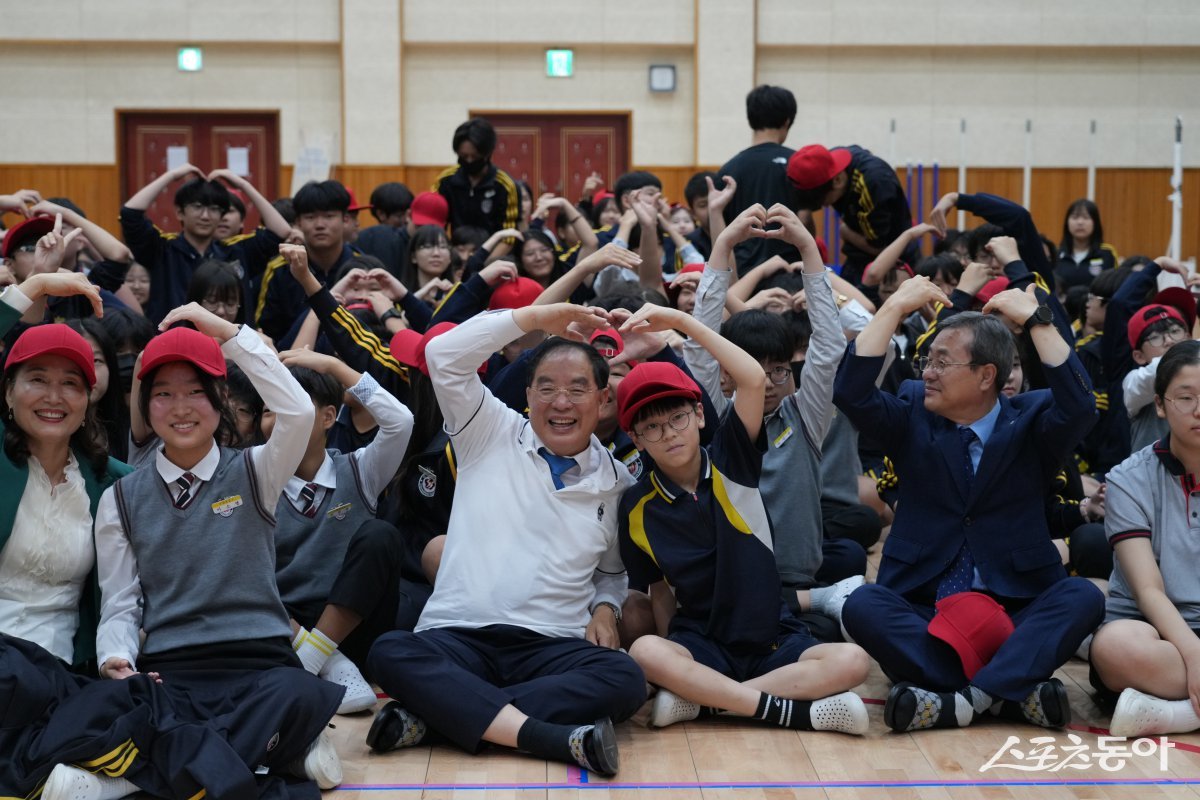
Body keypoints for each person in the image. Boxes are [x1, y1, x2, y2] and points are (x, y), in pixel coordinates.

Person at [365, 303, 647, 776]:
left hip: (550, 647)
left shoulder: (619, 483)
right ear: (527, 394)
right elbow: (443, 356)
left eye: (577, 389)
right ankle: (546, 737)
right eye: (547, 388)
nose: (561, 402)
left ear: (602, 401)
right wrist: (536, 317)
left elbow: (612, 575)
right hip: (459, 636)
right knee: (389, 651)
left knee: (625, 678)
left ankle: (436, 719)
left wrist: (606, 608)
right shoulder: (488, 429)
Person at [834, 275, 1105, 732]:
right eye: (927, 361)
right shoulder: (913, 410)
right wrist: (894, 306)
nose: (928, 373)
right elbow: (850, 392)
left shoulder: (1033, 419)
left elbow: (1081, 405)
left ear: (986, 376)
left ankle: (960, 700)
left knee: (1082, 595)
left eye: (942, 362)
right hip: (928, 606)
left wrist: (1038, 320)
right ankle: (1011, 694)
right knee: (861, 605)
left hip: (1016, 605)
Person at [93, 305, 344, 795]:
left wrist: (230, 335)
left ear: (220, 399)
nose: (180, 407)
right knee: (128, 703)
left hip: (261, 663)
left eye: (195, 392)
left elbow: (297, 411)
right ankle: (278, 753)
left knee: (296, 691)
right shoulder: (119, 498)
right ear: (144, 405)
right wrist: (116, 661)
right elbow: (120, 603)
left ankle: (170, 770)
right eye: (162, 394)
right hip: (174, 667)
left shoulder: (257, 469)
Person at [614, 303, 871, 734]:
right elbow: (658, 592)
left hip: (771, 631)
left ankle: (709, 702)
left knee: (853, 660)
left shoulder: (732, 459)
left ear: (699, 416)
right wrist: (675, 658)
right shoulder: (637, 506)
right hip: (703, 640)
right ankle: (785, 711)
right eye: (652, 428)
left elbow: (752, 377)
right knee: (647, 652)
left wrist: (680, 322)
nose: (669, 433)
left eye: (677, 418)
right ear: (637, 439)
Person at [684, 205, 860, 642]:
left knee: (825, 631)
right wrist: (723, 244)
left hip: (793, 575)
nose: (766, 382)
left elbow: (827, 344)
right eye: (751, 369)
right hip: (733, 576)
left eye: (778, 370)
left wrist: (807, 248)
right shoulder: (718, 416)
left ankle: (807, 607)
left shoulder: (805, 413)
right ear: (727, 372)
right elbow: (699, 345)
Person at [270, 348, 413, 715]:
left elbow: (400, 421)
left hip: (357, 620)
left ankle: (314, 660)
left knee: (380, 535)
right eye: (273, 407)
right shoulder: (255, 476)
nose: (283, 416)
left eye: (297, 404)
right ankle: (327, 663)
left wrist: (335, 366)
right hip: (285, 629)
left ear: (329, 416)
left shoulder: (358, 468)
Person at [1091, 340, 1200, 737]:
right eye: (1186, 398)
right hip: (1153, 630)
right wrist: (1194, 655)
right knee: (1114, 647)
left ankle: (1178, 716)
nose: (1199, 410)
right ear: (1159, 404)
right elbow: (1149, 591)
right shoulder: (1128, 479)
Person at [120, 164, 291, 322]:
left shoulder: (236, 251)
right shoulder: (162, 249)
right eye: (197, 207)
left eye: (214, 209)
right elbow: (129, 214)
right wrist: (171, 176)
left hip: (230, 348)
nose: (205, 216)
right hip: (174, 347)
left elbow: (281, 231)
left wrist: (243, 185)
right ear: (180, 212)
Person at [787, 144, 915, 285]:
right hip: (857, 253)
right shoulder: (825, 166)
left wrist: (845, 232)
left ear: (838, 181)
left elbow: (878, 247)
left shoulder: (874, 184)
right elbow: (805, 212)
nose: (826, 206)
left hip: (892, 260)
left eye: (824, 202)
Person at [255, 180, 365, 344]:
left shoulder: (362, 267)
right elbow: (267, 335)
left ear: (346, 219)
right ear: (298, 222)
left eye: (329, 216)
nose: (320, 225)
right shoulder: (280, 269)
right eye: (310, 217)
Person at [717, 85, 803, 273]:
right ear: (787, 121)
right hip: (791, 271)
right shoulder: (798, 164)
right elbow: (804, 219)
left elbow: (720, 229)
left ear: (751, 119)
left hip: (742, 274)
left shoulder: (728, 170)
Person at [433, 117, 520, 235]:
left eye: (475, 157)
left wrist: (483, 254)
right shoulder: (445, 181)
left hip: (494, 250)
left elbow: (509, 237)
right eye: (464, 156)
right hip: (456, 250)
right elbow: (435, 225)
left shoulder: (505, 185)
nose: (469, 161)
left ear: (487, 154)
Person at [1055, 199, 1119, 292]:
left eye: (1086, 217)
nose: (1080, 222)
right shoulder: (1056, 253)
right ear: (1067, 223)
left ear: (1095, 223)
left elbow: (1114, 285)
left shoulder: (1107, 253)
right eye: (1075, 217)